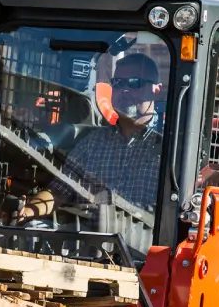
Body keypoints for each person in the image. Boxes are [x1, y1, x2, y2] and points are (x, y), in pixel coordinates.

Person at [16, 52, 163, 223]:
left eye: (134, 83)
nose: (124, 90)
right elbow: (59, 191)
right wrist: (27, 212)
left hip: (142, 245)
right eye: (118, 83)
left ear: (157, 91)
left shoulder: (169, 150)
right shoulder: (93, 143)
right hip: (85, 241)